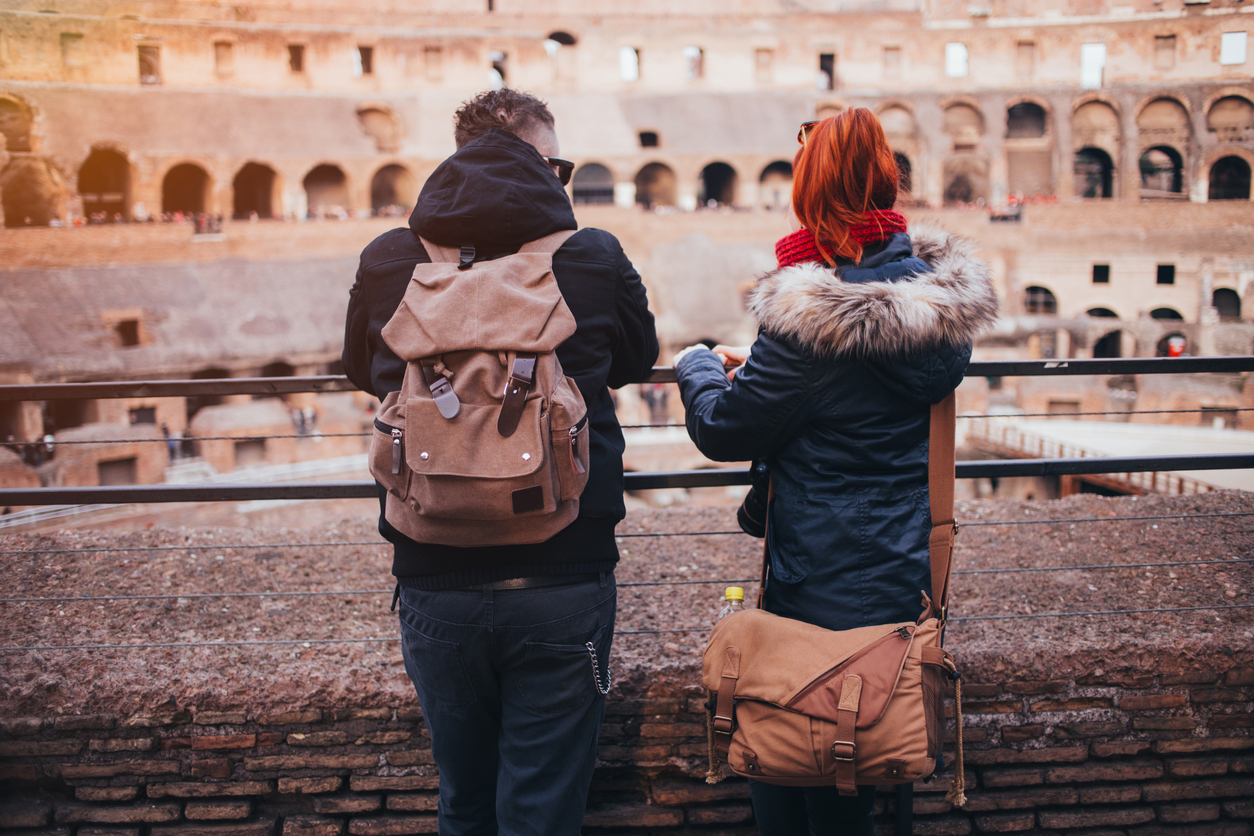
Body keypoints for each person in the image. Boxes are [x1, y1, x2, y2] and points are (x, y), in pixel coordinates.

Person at [672, 107, 997, 836]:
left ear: (809, 194)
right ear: (887, 183)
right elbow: (857, 390)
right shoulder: (937, 308)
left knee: (810, 744)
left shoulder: (806, 318)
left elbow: (724, 430)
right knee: (865, 738)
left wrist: (698, 365)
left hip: (817, 571)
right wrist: (765, 368)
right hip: (902, 565)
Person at [342, 88, 658, 836]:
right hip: (563, 572)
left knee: (464, 800)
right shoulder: (592, 254)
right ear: (547, 167)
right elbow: (638, 360)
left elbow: (362, 368)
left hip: (433, 572)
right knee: (543, 807)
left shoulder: (389, 258)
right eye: (562, 167)